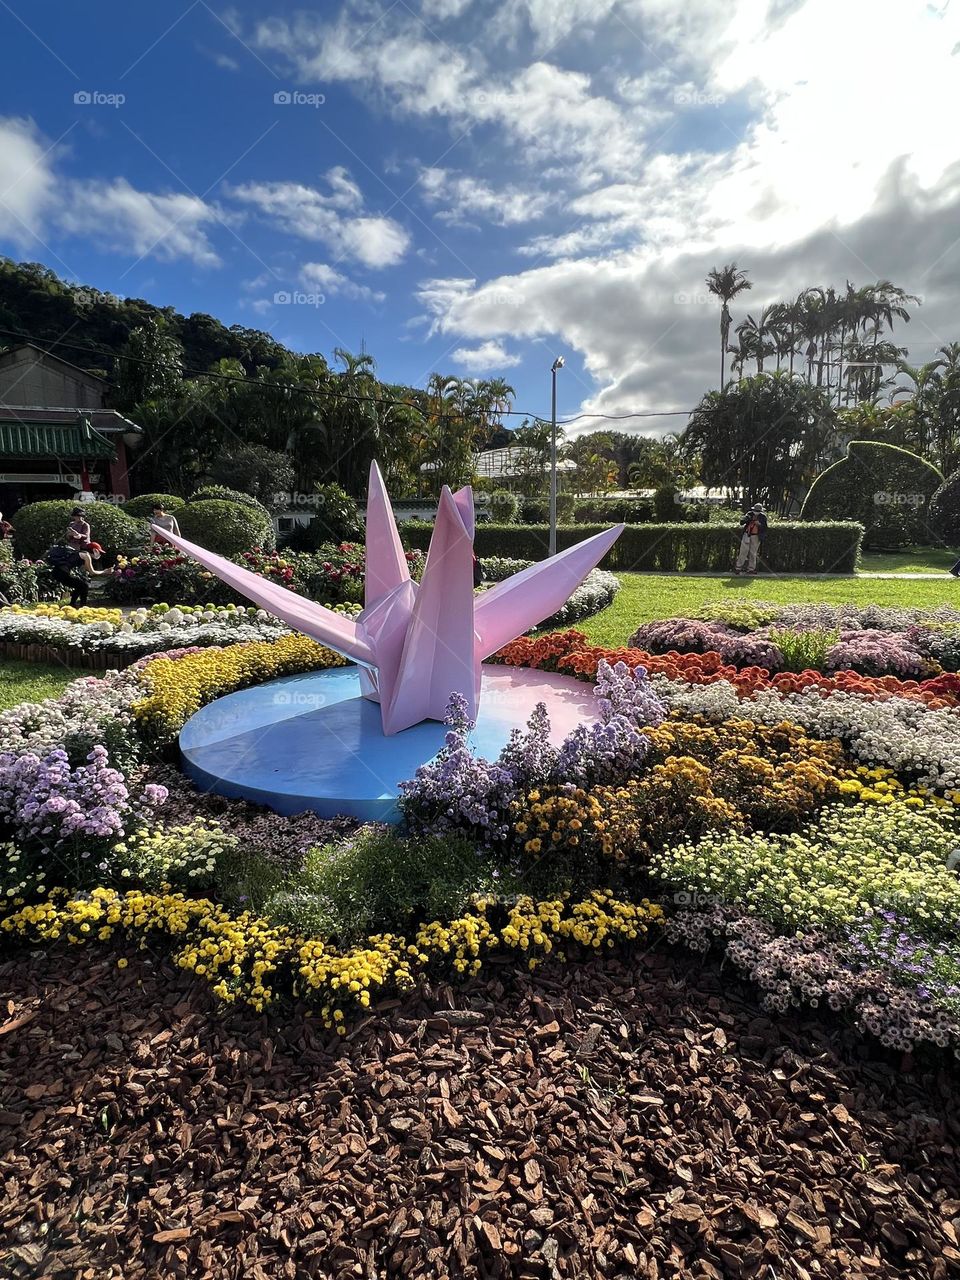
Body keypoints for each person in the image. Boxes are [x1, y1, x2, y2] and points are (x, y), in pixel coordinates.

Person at [734, 503, 768, 575]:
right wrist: (747, 519)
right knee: (743, 552)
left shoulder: (763, 517)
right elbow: (741, 522)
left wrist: (759, 524)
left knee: (753, 553)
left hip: (756, 536)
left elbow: (765, 528)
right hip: (747, 535)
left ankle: (751, 569)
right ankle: (738, 568)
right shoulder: (749, 514)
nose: (756, 512)